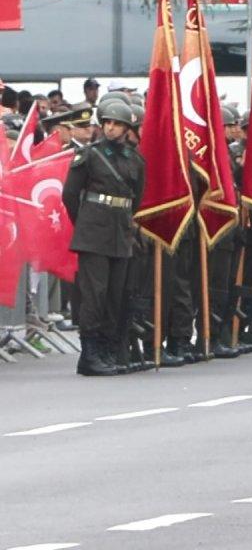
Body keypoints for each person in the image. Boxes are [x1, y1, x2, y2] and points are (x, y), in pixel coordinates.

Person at [62, 101, 145, 376]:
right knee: (94, 294)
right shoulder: (89, 156)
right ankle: (89, 354)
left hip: (120, 233)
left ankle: (109, 350)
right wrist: (85, 225)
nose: (111, 128)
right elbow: (70, 196)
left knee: (115, 294)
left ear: (126, 128)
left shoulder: (135, 159)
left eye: (117, 124)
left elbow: (137, 199)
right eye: (107, 122)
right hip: (93, 234)